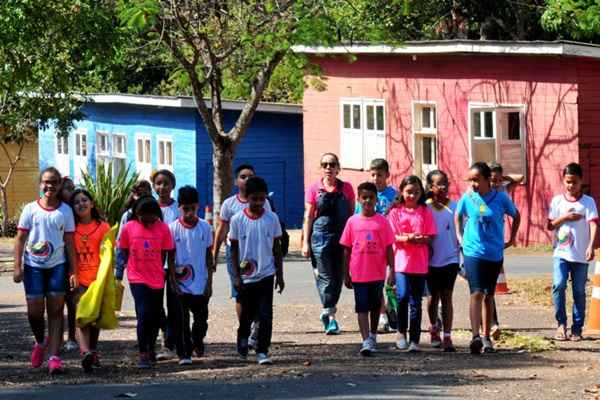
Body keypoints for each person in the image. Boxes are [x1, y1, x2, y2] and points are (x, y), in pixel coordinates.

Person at [13, 167, 77, 374]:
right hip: (33, 267)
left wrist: (73, 271)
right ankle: (40, 342)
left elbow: (69, 243)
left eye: (54, 182)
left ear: (59, 186)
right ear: (41, 184)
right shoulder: (30, 209)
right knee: (34, 312)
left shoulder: (65, 212)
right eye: (46, 182)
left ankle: (54, 357)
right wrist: (17, 267)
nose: (50, 186)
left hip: (57, 267)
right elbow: (20, 238)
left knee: (56, 312)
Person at [455, 162, 520, 355]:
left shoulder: (500, 198)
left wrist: (512, 238)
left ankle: (486, 337)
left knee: (489, 295)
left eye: (476, 180)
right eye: (471, 180)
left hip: (494, 253)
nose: (473, 184)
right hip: (472, 252)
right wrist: (460, 237)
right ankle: (475, 337)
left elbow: (516, 215)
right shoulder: (468, 197)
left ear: (486, 180)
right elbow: (458, 215)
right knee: (476, 293)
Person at [212, 164, 271, 346]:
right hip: (236, 252)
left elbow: (270, 227)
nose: (247, 179)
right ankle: (244, 327)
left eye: (250, 176)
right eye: (243, 176)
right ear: (237, 181)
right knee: (240, 292)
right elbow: (221, 230)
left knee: (259, 293)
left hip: (258, 252)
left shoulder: (264, 202)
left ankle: (256, 327)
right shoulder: (229, 204)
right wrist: (214, 256)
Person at [229, 176, 284, 365]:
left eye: (262, 199)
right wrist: (236, 275)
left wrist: (280, 274)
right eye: (255, 199)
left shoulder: (272, 218)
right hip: (246, 276)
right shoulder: (237, 220)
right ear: (247, 197)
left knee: (265, 315)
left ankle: (262, 350)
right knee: (246, 314)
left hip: (266, 274)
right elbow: (234, 249)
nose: (259, 203)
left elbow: (277, 247)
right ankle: (243, 338)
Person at [117, 195, 175, 369]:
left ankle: (151, 347)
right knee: (143, 315)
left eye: (153, 217)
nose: (149, 221)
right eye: (145, 217)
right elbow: (123, 250)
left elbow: (167, 252)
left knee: (155, 316)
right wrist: (124, 268)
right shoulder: (128, 228)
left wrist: (168, 273)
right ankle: (143, 352)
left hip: (157, 278)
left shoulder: (164, 229)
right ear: (137, 213)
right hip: (137, 278)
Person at [302, 153, 355, 335]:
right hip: (320, 237)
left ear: (338, 168)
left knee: (339, 278)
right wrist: (305, 243)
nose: (328, 168)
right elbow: (308, 216)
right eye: (324, 164)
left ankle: (328, 310)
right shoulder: (313, 189)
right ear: (320, 167)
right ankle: (330, 316)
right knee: (326, 278)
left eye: (332, 164)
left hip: (342, 237)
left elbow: (351, 216)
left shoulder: (346, 188)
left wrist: (354, 240)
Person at [340, 182, 395, 356]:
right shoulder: (352, 221)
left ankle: (373, 335)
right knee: (361, 307)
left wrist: (392, 270)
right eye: (364, 197)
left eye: (371, 197)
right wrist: (345, 274)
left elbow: (388, 248)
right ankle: (365, 340)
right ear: (358, 199)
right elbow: (347, 249)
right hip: (359, 274)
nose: (367, 201)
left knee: (374, 307)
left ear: (376, 199)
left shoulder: (382, 222)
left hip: (377, 273)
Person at [547, 162, 598, 341]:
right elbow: (550, 225)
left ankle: (577, 328)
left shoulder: (588, 202)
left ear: (581, 181)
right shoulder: (557, 201)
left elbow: (593, 224)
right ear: (563, 181)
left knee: (578, 291)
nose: (571, 186)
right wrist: (566, 217)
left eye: (574, 182)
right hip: (561, 253)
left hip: (580, 255)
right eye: (568, 182)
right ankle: (561, 324)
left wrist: (590, 246)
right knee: (559, 285)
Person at [388, 175, 436, 352]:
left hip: (420, 264)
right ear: (402, 192)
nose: (412, 195)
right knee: (402, 297)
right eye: (409, 192)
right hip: (401, 263)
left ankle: (415, 339)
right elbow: (392, 236)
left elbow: (431, 236)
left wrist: (422, 239)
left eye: (416, 192)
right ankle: (401, 332)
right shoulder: (395, 212)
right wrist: (408, 238)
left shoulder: (425, 211)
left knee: (416, 301)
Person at [169, 186, 214, 365]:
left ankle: (198, 339)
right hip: (180, 284)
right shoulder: (172, 229)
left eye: (192, 208)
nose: (188, 213)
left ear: (198, 207)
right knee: (182, 320)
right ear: (179, 207)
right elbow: (170, 258)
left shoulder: (205, 227)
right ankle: (184, 353)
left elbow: (208, 255)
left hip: (200, 283)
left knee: (201, 319)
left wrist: (209, 282)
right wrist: (173, 281)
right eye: (185, 209)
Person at [70, 189, 110, 372]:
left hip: (98, 281)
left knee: (95, 320)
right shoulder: (71, 228)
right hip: (78, 280)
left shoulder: (103, 227)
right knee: (81, 317)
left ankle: (92, 351)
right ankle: (85, 352)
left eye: (84, 200)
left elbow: (109, 254)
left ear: (92, 203)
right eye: (76, 202)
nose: (81, 204)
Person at [355, 159, 397, 332]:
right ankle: (381, 314)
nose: (375, 178)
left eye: (379, 175)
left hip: (389, 241)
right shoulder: (366, 195)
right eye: (372, 175)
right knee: (376, 282)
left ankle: (391, 311)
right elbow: (358, 218)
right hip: (371, 245)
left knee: (390, 280)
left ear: (387, 175)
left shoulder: (394, 194)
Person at [488, 162, 523, 340]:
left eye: (498, 180)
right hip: (478, 246)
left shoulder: (502, 193)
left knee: (489, 287)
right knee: (482, 288)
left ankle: (490, 323)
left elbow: (520, 178)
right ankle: (488, 324)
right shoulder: (475, 196)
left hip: (496, 239)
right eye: (492, 179)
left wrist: (504, 179)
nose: (495, 183)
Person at [425, 170, 460, 352]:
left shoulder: (454, 207)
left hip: (450, 259)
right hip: (430, 260)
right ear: (431, 187)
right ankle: (433, 328)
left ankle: (447, 335)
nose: (444, 187)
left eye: (446, 183)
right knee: (433, 298)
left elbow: (459, 232)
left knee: (447, 296)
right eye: (439, 184)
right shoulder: (425, 207)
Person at [151, 170, 179, 361]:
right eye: (158, 183)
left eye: (166, 183)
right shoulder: (149, 209)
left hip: (175, 263)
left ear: (172, 185)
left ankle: (170, 343)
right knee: (155, 304)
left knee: (174, 303)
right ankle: (164, 330)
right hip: (154, 263)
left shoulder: (178, 209)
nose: (162, 187)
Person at [115, 180, 152, 280]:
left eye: (145, 194)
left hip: (153, 266)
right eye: (139, 194)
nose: (142, 198)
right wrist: (119, 269)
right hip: (135, 266)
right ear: (133, 196)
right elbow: (120, 244)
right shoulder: (127, 216)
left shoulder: (155, 214)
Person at [59, 177, 79, 353]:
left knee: (73, 301)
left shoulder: (76, 211)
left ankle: (72, 336)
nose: (71, 192)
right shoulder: (56, 210)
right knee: (56, 301)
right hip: (56, 261)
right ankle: (55, 336)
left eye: (73, 188)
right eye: (67, 188)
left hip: (74, 260)